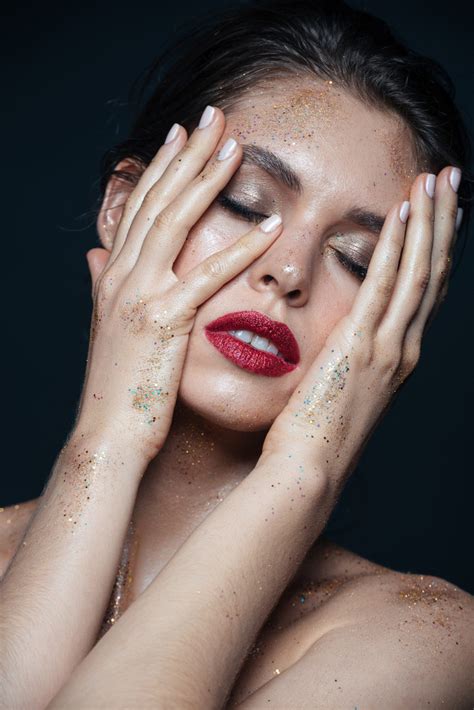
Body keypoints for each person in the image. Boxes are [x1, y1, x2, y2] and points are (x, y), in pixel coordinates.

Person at [1, 0, 473, 707]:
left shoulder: (428, 640)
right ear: (124, 208)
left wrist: (301, 479)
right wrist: (108, 438)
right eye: (248, 205)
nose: (288, 270)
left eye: (357, 257)